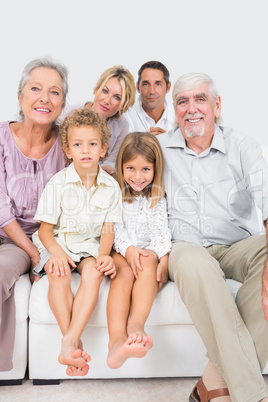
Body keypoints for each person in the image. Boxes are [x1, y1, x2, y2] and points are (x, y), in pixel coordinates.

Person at [157, 72, 268, 402]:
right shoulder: (158, 148)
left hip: (237, 244)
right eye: (182, 101)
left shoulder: (243, 146)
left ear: (217, 106)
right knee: (197, 265)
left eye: (200, 99)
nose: (191, 109)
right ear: (174, 110)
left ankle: (211, 385)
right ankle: (251, 395)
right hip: (184, 246)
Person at [32, 107, 122, 376]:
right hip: (59, 241)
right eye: (78, 144)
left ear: (103, 148)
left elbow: (108, 230)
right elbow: (45, 231)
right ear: (68, 150)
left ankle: (69, 344)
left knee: (94, 272)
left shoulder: (111, 186)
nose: (86, 150)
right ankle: (72, 341)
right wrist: (56, 253)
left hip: (90, 245)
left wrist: (105, 255)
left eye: (92, 144)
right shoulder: (58, 183)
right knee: (58, 274)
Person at [0, 57, 69, 372]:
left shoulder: (69, 144)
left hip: (37, 240)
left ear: (62, 103)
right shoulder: (1, 137)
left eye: (54, 92)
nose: (45, 98)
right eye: (36, 88)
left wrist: (38, 253)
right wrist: (33, 255)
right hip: (10, 234)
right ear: (19, 97)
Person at [106, 132, 171, 369]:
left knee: (149, 262)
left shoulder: (157, 197)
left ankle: (135, 325)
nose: (138, 176)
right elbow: (114, 229)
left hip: (145, 250)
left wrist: (162, 257)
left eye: (146, 169)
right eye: (131, 168)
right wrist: (129, 249)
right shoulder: (115, 193)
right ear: (122, 167)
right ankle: (116, 342)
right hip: (120, 250)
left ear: (155, 169)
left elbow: (161, 231)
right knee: (123, 274)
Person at [61, 65, 136, 176]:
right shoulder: (67, 114)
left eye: (117, 97)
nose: (107, 100)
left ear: (123, 105)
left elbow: (112, 163)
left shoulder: (122, 125)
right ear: (97, 90)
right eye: (105, 91)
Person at [124, 61, 175, 136]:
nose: (152, 91)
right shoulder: (126, 116)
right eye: (146, 84)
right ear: (138, 87)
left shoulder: (178, 115)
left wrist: (168, 141)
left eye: (158, 84)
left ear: (168, 87)